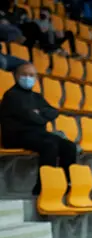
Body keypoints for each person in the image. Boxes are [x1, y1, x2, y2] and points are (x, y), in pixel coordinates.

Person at [0, 62, 77, 195]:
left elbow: (53, 111)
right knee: (50, 144)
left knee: (69, 146)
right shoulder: (11, 95)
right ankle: (44, 186)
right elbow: (30, 116)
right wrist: (40, 116)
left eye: (31, 75)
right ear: (16, 76)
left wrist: (38, 114)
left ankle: (65, 183)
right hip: (17, 135)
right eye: (24, 74)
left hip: (37, 134)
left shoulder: (37, 96)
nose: (27, 78)